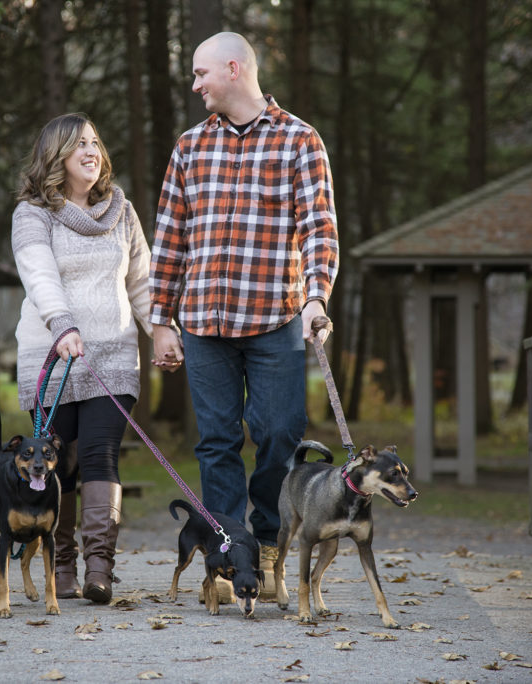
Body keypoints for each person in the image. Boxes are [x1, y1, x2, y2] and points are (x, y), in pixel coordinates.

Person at [149, 32, 338, 600]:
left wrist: (316, 296)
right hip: (204, 322)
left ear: (234, 69)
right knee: (216, 442)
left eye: (202, 72)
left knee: (280, 432)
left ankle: (272, 544)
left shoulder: (300, 141)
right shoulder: (188, 147)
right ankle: (231, 560)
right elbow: (171, 239)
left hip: (275, 317)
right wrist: (161, 320)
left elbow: (318, 228)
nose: (195, 83)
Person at [12, 113, 152, 603]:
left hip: (111, 356)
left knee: (99, 454)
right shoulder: (33, 214)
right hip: (50, 354)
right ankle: (62, 564)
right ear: (57, 158)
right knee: (59, 463)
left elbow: (141, 281)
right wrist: (62, 324)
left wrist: (162, 330)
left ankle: (99, 570)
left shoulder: (123, 211)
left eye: (96, 142)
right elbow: (39, 273)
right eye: (79, 146)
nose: (92, 152)